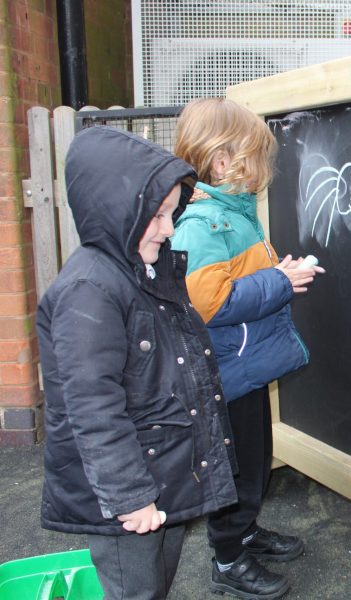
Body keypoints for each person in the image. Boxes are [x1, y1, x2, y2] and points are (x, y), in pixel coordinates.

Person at [37, 126, 239, 600]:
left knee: (157, 583)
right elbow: (91, 406)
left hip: (161, 475)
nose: (169, 228)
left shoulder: (148, 270)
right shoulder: (90, 289)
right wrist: (130, 496)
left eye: (172, 213)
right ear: (117, 212)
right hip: (128, 494)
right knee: (136, 591)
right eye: (157, 216)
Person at [171, 97, 323, 599]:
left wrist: (278, 273)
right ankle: (228, 558)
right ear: (222, 162)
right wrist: (279, 281)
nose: (264, 169)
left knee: (256, 458)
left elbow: (241, 278)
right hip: (225, 373)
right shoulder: (202, 223)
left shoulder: (234, 215)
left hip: (246, 367)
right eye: (256, 157)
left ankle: (246, 530)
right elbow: (210, 302)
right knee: (231, 464)